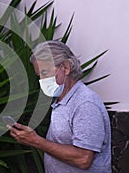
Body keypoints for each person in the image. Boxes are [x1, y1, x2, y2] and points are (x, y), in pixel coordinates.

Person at [8, 41, 111, 173]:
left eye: (45, 73)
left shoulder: (85, 104)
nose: (42, 81)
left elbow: (83, 159)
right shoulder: (61, 99)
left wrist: (36, 141)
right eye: (40, 76)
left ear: (66, 67)